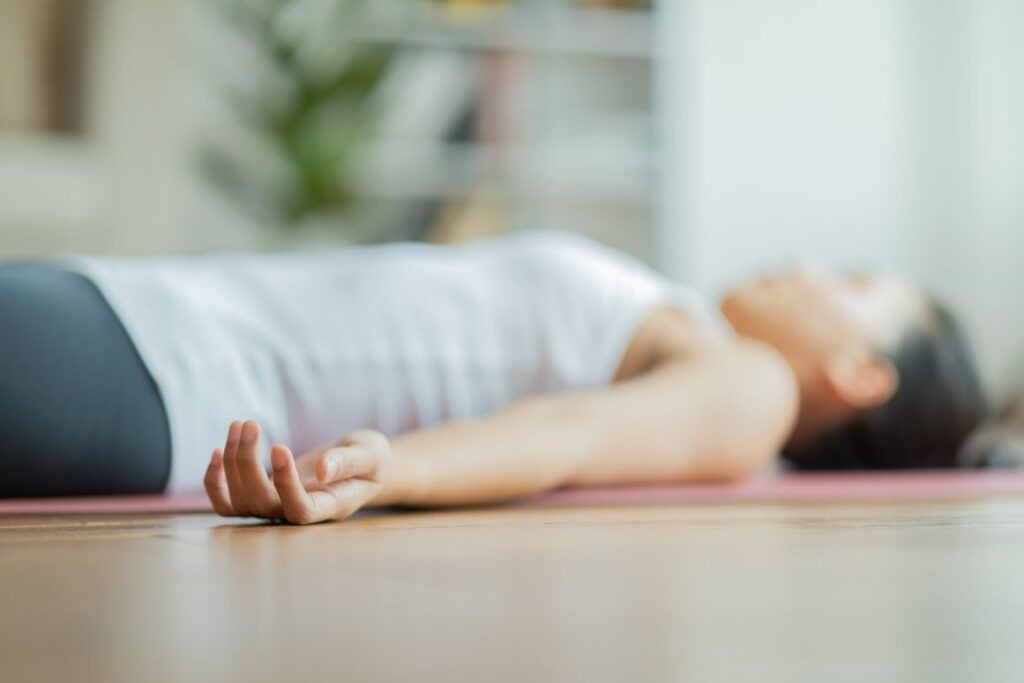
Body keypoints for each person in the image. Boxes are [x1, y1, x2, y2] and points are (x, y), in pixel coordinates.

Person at [0, 230, 987, 523]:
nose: (806, 262)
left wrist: (391, 468)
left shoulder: (754, 387)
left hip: (164, 373)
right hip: (140, 312)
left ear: (861, 374)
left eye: (851, 281)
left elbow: (565, 435)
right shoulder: (686, 326)